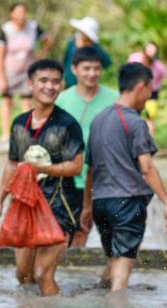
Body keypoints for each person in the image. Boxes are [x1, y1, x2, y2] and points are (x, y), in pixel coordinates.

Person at [0, 59, 84, 296]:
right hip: (25, 206)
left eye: (55, 82)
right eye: (43, 80)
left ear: (61, 85)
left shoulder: (68, 124)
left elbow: (76, 166)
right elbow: (12, 164)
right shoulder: (19, 123)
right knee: (24, 275)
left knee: (43, 273)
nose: (49, 86)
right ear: (30, 84)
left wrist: (41, 169)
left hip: (59, 207)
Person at [80, 63, 167, 291]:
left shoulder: (98, 120)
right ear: (141, 87)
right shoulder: (134, 122)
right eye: (150, 91)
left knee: (115, 258)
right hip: (127, 202)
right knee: (123, 266)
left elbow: (91, 169)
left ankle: (97, 298)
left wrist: (87, 206)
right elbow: (147, 168)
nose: (149, 97)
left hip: (100, 203)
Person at [56, 47, 118, 247]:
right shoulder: (62, 99)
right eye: (87, 68)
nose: (92, 74)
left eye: (97, 69)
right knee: (68, 233)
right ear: (74, 69)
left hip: (104, 179)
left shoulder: (115, 99)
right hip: (70, 178)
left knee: (98, 233)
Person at [0, 2, 52, 146]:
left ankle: (26, 133)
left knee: (27, 102)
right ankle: (6, 134)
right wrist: (1, 77)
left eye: (23, 12)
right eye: (18, 12)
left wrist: (41, 55)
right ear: (11, 14)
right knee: (7, 101)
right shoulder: (6, 29)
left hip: (28, 70)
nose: (21, 15)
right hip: (9, 70)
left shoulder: (32, 27)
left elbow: (47, 40)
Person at [128, 42, 167, 136]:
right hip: (135, 91)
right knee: (133, 115)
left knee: (150, 117)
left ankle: (149, 140)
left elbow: (164, 76)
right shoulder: (134, 59)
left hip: (152, 94)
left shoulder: (159, 66)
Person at [62, 17, 112, 88]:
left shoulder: (95, 47)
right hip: (68, 82)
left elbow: (107, 62)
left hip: (86, 84)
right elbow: (65, 60)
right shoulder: (72, 42)